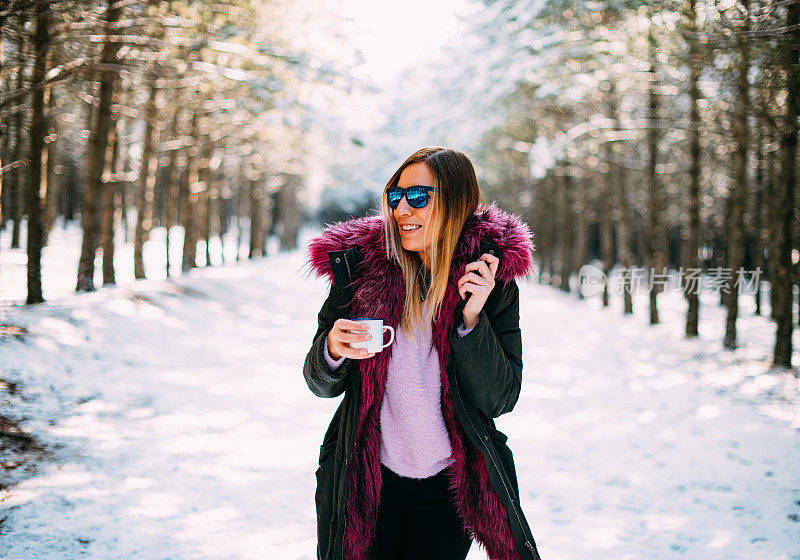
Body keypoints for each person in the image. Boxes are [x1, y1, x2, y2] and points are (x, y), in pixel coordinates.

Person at [303, 147, 542, 560]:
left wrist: (471, 318)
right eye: (395, 197)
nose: (401, 210)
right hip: (367, 482)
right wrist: (331, 350)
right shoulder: (359, 272)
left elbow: (500, 399)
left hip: (449, 493)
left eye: (418, 197)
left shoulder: (490, 281)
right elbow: (318, 382)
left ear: (456, 202)